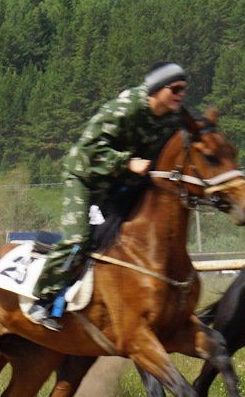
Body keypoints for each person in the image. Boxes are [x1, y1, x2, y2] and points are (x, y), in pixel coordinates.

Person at [25, 62, 189, 329]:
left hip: (118, 185)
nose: (181, 94)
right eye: (176, 88)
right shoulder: (123, 109)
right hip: (85, 177)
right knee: (78, 239)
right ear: (158, 89)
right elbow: (88, 150)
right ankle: (43, 300)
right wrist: (128, 163)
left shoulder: (171, 117)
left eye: (184, 88)